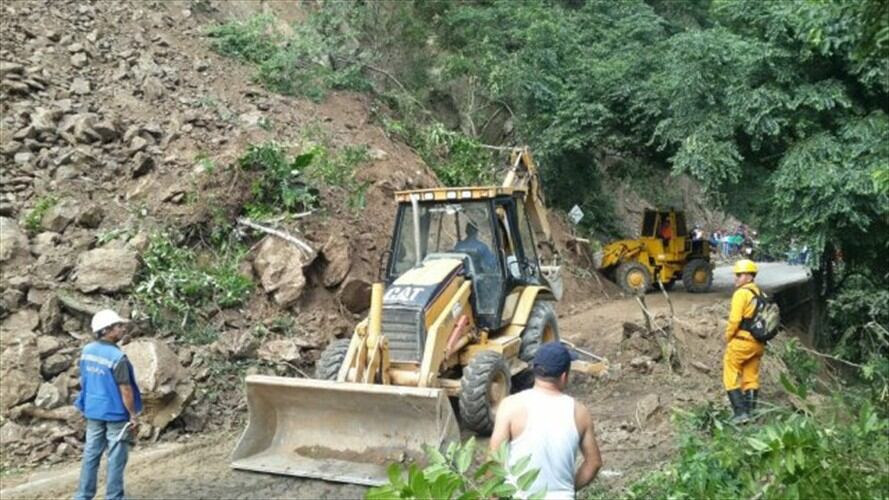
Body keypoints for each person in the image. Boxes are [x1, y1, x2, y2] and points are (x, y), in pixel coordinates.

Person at [490, 342, 602, 499]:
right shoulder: (579, 412)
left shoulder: (510, 406)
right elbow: (594, 462)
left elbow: (494, 462)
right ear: (564, 376)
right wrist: (568, 488)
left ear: (535, 370)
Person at [74, 309, 143, 500]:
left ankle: (82, 496)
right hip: (115, 414)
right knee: (116, 458)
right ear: (106, 330)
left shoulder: (87, 351)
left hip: (93, 411)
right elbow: (126, 390)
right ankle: (114, 497)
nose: (123, 329)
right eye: (118, 326)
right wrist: (133, 415)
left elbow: (85, 380)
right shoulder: (117, 358)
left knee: (91, 455)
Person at [723, 259, 763, 423]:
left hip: (742, 341)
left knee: (730, 372)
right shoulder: (759, 293)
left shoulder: (741, 293)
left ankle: (740, 413)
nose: (736, 278)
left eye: (739, 275)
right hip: (758, 343)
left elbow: (734, 321)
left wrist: (728, 337)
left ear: (748, 276)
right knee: (750, 377)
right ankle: (751, 413)